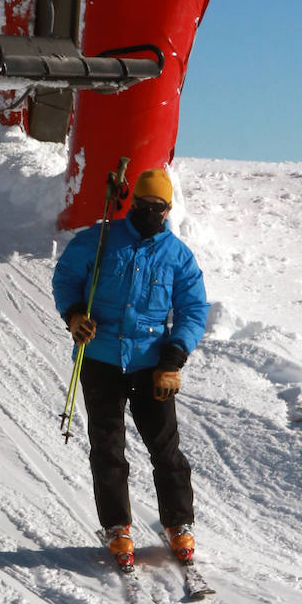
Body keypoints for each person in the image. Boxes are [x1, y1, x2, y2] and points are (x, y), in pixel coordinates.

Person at [52, 167, 209, 568]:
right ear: (131, 202)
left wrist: (173, 360)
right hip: (100, 359)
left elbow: (193, 310)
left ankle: (178, 522)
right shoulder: (99, 240)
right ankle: (117, 526)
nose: (150, 212)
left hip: (151, 365)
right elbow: (66, 278)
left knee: (165, 448)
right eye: (142, 205)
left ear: (168, 209)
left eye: (158, 208)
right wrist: (72, 315)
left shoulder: (178, 255)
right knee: (108, 448)